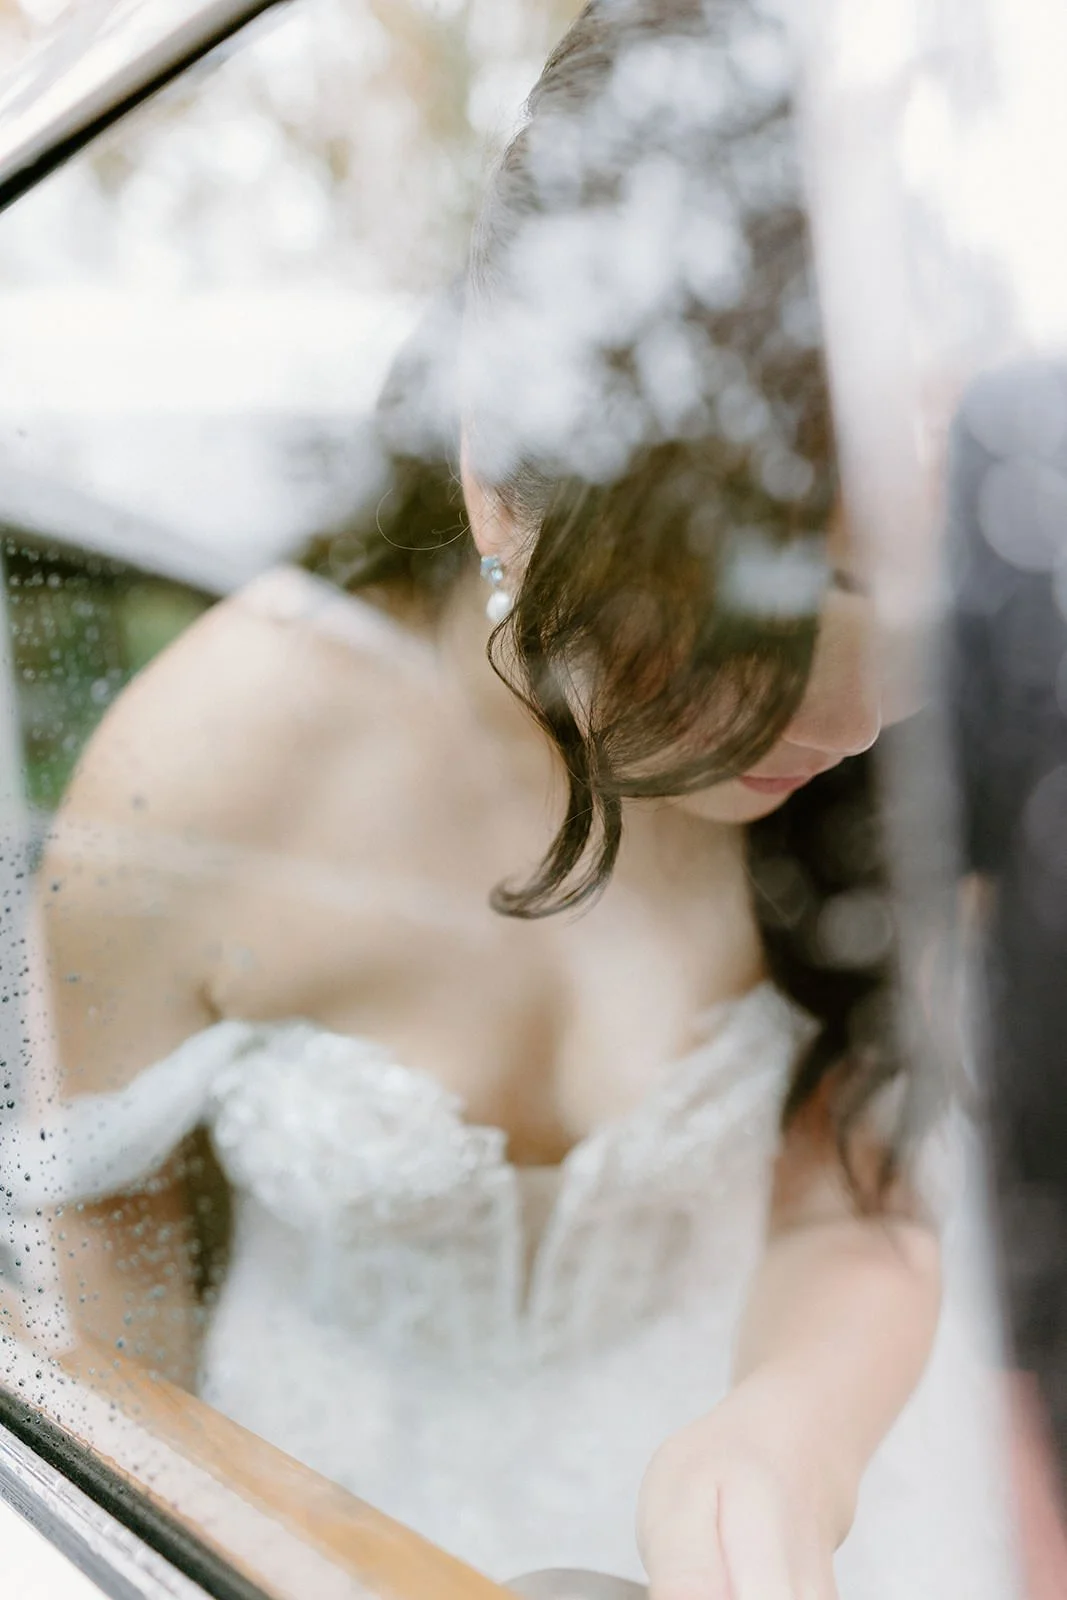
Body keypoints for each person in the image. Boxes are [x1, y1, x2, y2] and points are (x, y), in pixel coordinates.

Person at [15, 1, 1013, 1593]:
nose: (856, 713)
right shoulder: (207, 771)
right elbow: (89, 1236)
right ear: (505, 464)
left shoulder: (922, 724)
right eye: (780, 601)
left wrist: (784, 1438)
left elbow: (861, 1170)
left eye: (909, 610)